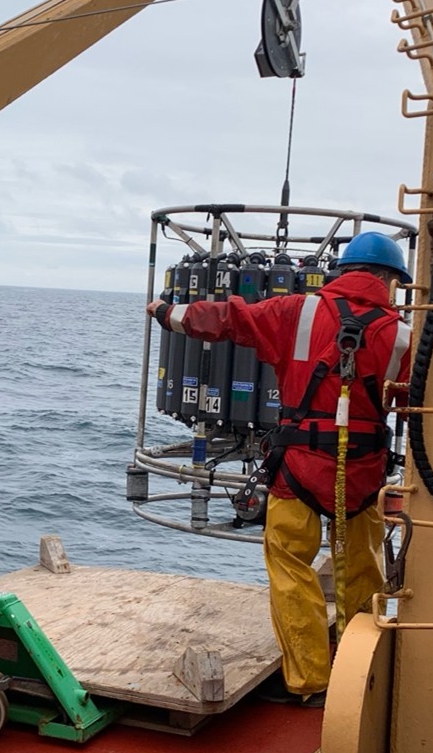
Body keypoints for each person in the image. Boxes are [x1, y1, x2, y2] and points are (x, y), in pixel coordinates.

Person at [147, 233, 413, 707]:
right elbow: (415, 403)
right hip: (363, 473)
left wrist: (170, 313)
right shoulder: (403, 335)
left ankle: (311, 680)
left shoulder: (297, 311)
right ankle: (364, 676)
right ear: (391, 280)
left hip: (297, 469)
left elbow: (231, 318)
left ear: (342, 271)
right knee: (363, 574)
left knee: (290, 566)